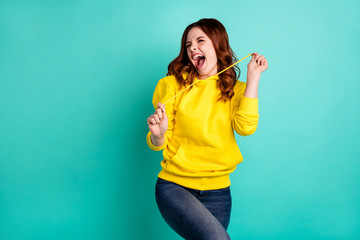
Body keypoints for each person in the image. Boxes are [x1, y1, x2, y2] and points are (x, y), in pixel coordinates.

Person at [146, 18, 268, 240]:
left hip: (219, 193)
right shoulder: (170, 85)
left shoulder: (236, 90)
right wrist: (158, 134)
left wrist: (253, 77)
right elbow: (158, 143)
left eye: (200, 40)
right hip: (175, 186)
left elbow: (245, 128)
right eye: (188, 44)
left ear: (217, 45)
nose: (193, 48)